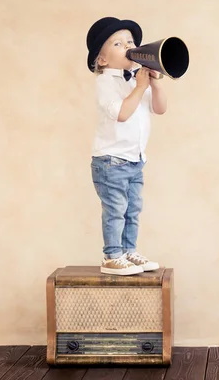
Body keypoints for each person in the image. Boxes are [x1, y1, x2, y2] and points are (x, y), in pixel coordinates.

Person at [85, 17, 167, 275]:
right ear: (102, 60)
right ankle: (112, 255)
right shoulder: (106, 82)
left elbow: (160, 108)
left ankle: (129, 251)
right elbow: (122, 113)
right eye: (118, 43)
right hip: (111, 161)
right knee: (116, 210)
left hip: (135, 159)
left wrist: (154, 83)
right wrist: (140, 88)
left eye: (131, 42)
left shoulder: (136, 81)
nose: (128, 46)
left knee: (132, 210)